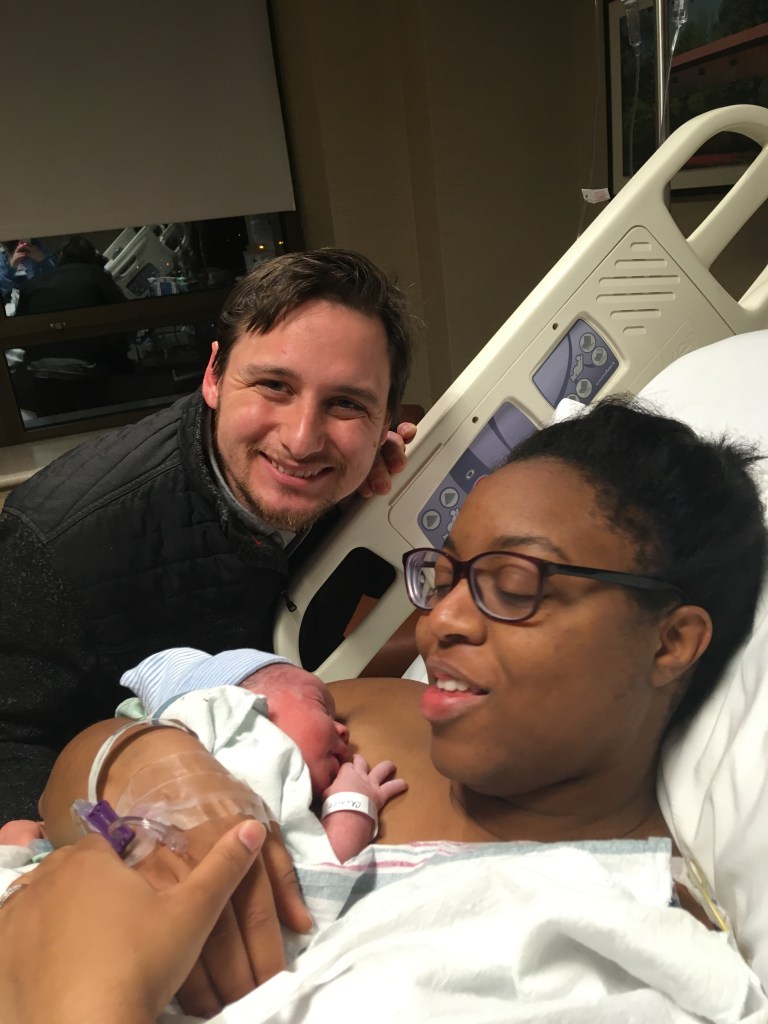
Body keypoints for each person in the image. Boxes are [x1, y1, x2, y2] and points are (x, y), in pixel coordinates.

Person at [4, 397, 766, 1021]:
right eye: (448, 576)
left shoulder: (621, 945)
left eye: (513, 585)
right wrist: (146, 759)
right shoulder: (373, 713)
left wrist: (79, 1002)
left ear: (671, 642)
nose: (440, 622)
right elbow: (70, 787)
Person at [0, 248, 418, 821]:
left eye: (347, 403)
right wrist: (98, 838)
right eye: (273, 385)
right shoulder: (58, 542)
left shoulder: (357, 484)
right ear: (214, 375)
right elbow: (9, 742)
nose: (301, 440)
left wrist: (378, 499)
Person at [15, 234, 126, 316]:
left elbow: (19, 321)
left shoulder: (33, 285)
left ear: (61, 255)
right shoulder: (96, 275)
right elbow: (124, 308)